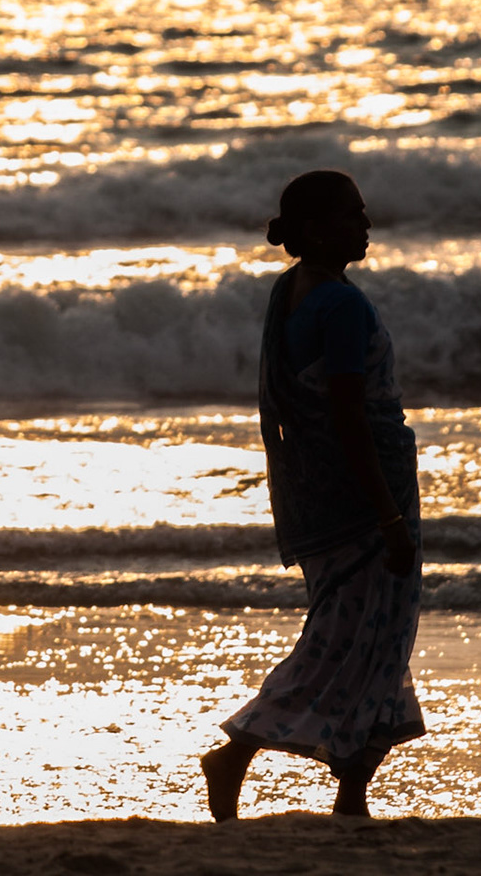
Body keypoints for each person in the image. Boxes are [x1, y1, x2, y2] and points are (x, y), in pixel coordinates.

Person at [201, 170, 424, 820]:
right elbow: (350, 416)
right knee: (346, 640)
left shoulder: (289, 292)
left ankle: (352, 793)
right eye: (352, 216)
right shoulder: (344, 307)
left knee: (374, 642)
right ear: (316, 228)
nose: (365, 226)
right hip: (362, 499)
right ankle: (237, 751)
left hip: (323, 498)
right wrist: (386, 516)